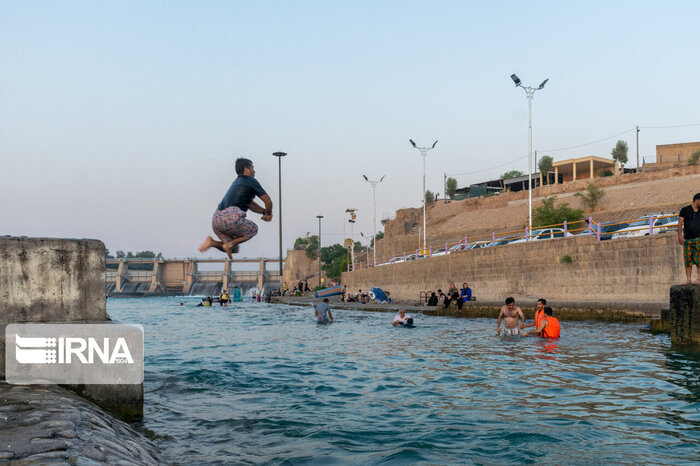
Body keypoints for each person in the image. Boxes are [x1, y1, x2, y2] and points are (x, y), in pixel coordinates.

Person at [199, 158, 273, 259]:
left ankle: (212, 243)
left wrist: (264, 211)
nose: (254, 171)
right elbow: (268, 201)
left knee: (234, 248)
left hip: (217, 220)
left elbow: (250, 205)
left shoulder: (237, 183)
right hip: (231, 217)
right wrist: (268, 214)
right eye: (252, 168)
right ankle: (228, 245)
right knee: (253, 229)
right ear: (246, 170)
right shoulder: (251, 180)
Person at [678, 193, 700, 285]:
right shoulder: (685, 210)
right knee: (688, 260)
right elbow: (680, 223)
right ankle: (688, 279)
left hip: (699, 239)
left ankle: (699, 278)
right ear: (697, 200)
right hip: (687, 240)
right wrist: (680, 236)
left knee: (699, 259)